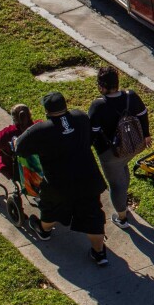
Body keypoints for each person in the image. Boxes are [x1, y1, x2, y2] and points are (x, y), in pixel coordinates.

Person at [15, 92, 110, 266]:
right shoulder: (80, 117)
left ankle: (44, 231)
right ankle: (99, 253)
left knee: (51, 207)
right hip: (88, 179)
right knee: (93, 216)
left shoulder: (41, 130)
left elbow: (19, 147)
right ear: (65, 105)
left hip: (59, 184)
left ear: (46, 111)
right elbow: (89, 138)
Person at [88, 66, 152, 229]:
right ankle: (123, 201)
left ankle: (122, 218)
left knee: (116, 184)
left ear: (101, 86)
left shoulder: (98, 105)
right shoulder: (131, 96)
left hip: (112, 153)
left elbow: (93, 133)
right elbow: (143, 115)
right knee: (122, 170)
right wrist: (146, 135)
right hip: (135, 146)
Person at [0, 104, 38, 181]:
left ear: (14, 118)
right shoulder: (39, 125)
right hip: (39, 166)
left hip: (17, 171)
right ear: (30, 114)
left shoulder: (9, 132)